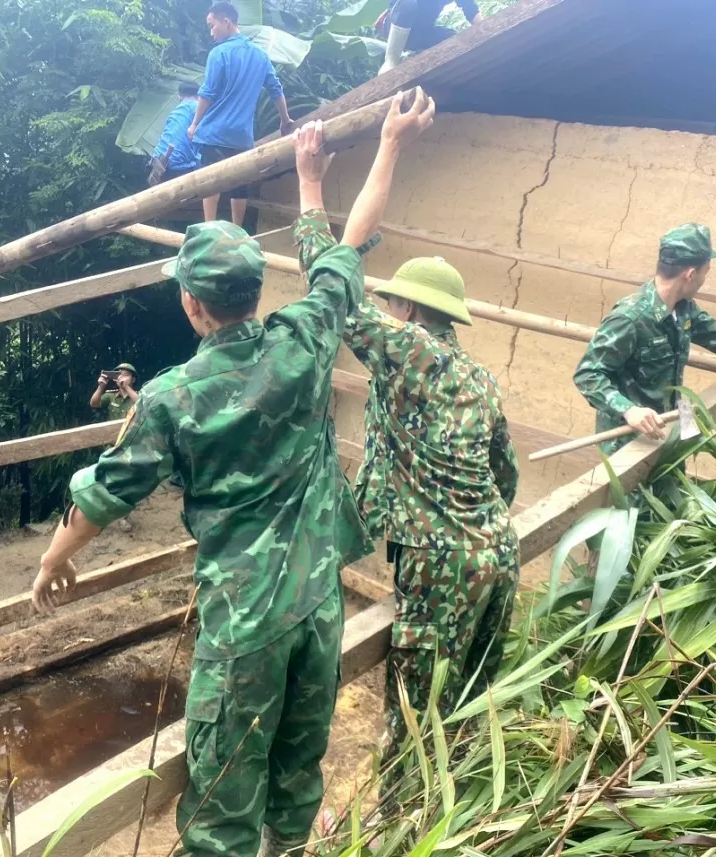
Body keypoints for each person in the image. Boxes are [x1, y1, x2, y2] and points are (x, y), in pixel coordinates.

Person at [29, 91, 435, 857]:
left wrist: (54, 559)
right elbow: (350, 245)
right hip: (317, 606)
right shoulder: (305, 337)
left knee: (220, 806)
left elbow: (105, 494)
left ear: (190, 304)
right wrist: (375, 150)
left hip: (244, 623)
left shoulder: (172, 397)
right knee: (295, 776)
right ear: (255, 292)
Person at [298, 234, 518, 793]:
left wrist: (309, 198)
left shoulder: (407, 350)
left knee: (414, 720)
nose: (389, 312)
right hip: (498, 552)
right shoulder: (481, 379)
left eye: (394, 304)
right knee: (469, 698)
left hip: (441, 567)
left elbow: (334, 288)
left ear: (410, 309)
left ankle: (403, 827)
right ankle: (463, 810)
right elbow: (506, 473)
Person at [574, 225, 716, 455]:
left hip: (671, 426)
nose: (705, 279)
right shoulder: (630, 319)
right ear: (691, 274)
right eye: (706, 272)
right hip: (630, 438)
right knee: (635, 492)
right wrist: (629, 410)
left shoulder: (684, 309)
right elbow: (588, 374)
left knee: (678, 487)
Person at [188, 1, 294, 226]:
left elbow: (207, 93)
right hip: (242, 138)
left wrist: (194, 124)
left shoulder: (219, 53)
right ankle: (237, 230)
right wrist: (285, 120)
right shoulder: (261, 55)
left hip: (215, 133)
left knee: (210, 181)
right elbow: (276, 90)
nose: (211, 31)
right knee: (240, 184)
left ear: (226, 22)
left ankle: (208, 227)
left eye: (212, 25)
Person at [376, 0, 483, 75]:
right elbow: (401, 7)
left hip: (421, 33)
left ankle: (419, 60)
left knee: (451, 37)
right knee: (408, 3)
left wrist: (485, 30)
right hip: (396, 25)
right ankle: (391, 61)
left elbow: (471, 9)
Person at [149, 82, 202, 187]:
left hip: (157, 161)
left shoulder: (174, 112)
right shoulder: (198, 108)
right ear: (199, 95)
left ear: (179, 96)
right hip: (180, 167)